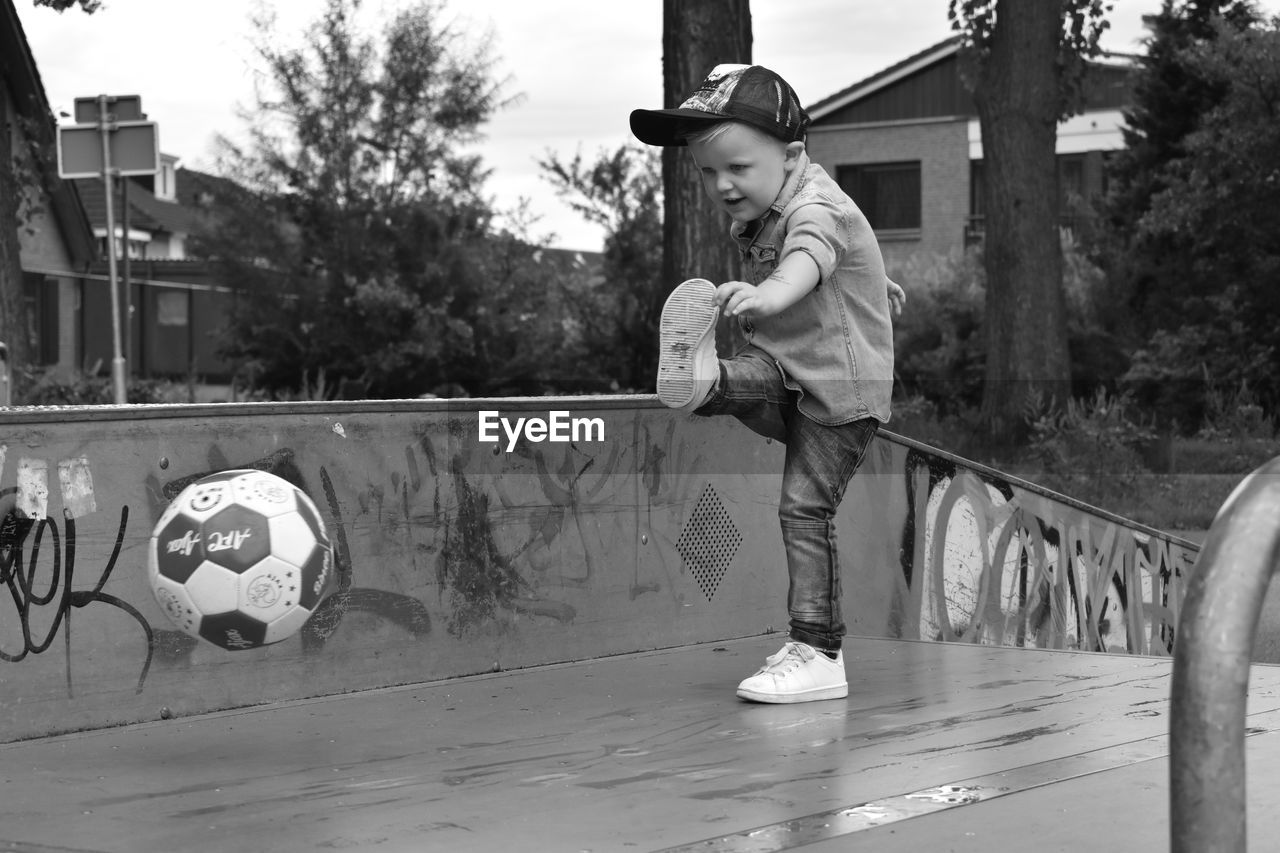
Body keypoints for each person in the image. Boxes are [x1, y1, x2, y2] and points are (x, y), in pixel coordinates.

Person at [630, 64, 902, 704]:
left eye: (738, 168)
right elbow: (842, 253)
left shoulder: (814, 205)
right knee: (748, 377)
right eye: (707, 171)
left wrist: (769, 294)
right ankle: (704, 382)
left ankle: (820, 651)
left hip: (842, 397)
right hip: (788, 372)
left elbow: (809, 254)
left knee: (804, 509)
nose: (722, 186)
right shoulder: (780, 197)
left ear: (793, 155)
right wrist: (875, 281)